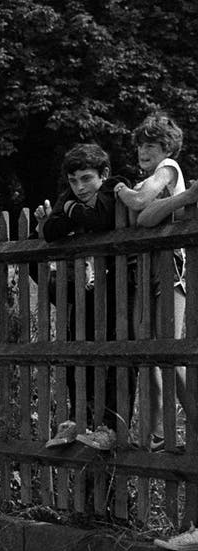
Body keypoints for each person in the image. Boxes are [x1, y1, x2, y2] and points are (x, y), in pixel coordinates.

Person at [31, 143, 130, 433]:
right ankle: (78, 420)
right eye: (73, 181)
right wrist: (63, 214)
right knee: (77, 356)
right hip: (83, 291)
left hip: (117, 288)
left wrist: (69, 210)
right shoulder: (70, 197)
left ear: (104, 174)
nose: (80, 187)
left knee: (114, 359)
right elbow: (49, 233)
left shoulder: (115, 187)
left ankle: (111, 426)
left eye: (86, 178)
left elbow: (100, 217)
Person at [113, 111, 191, 450]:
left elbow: (142, 206)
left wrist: (123, 191)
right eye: (140, 146)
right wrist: (140, 205)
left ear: (166, 148)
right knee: (151, 353)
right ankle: (159, 434)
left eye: (151, 145)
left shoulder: (169, 168)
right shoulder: (148, 177)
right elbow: (140, 217)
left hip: (169, 267)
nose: (143, 152)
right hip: (143, 270)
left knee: (169, 352)